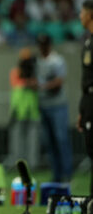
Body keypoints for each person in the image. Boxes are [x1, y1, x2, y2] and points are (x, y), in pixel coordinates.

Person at [36, 34, 72, 182]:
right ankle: (56, 174)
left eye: (44, 45)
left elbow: (59, 81)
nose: (42, 48)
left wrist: (43, 86)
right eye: (40, 45)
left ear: (50, 45)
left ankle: (67, 174)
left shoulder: (57, 60)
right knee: (49, 141)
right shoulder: (38, 61)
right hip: (44, 105)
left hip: (58, 106)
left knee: (61, 139)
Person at [4, 48, 40, 170]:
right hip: (18, 111)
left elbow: (36, 86)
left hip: (32, 111)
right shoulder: (15, 72)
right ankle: (18, 164)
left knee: (32, 140)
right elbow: (18, 84)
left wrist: (30, 80)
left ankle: (32, 165)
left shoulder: (35, 72)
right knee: (17, 140)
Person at [78, 0, 93, 196]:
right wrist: (83, 109)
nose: (80, 16)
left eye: (82, 12)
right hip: (89, 101)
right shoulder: (88, 42)